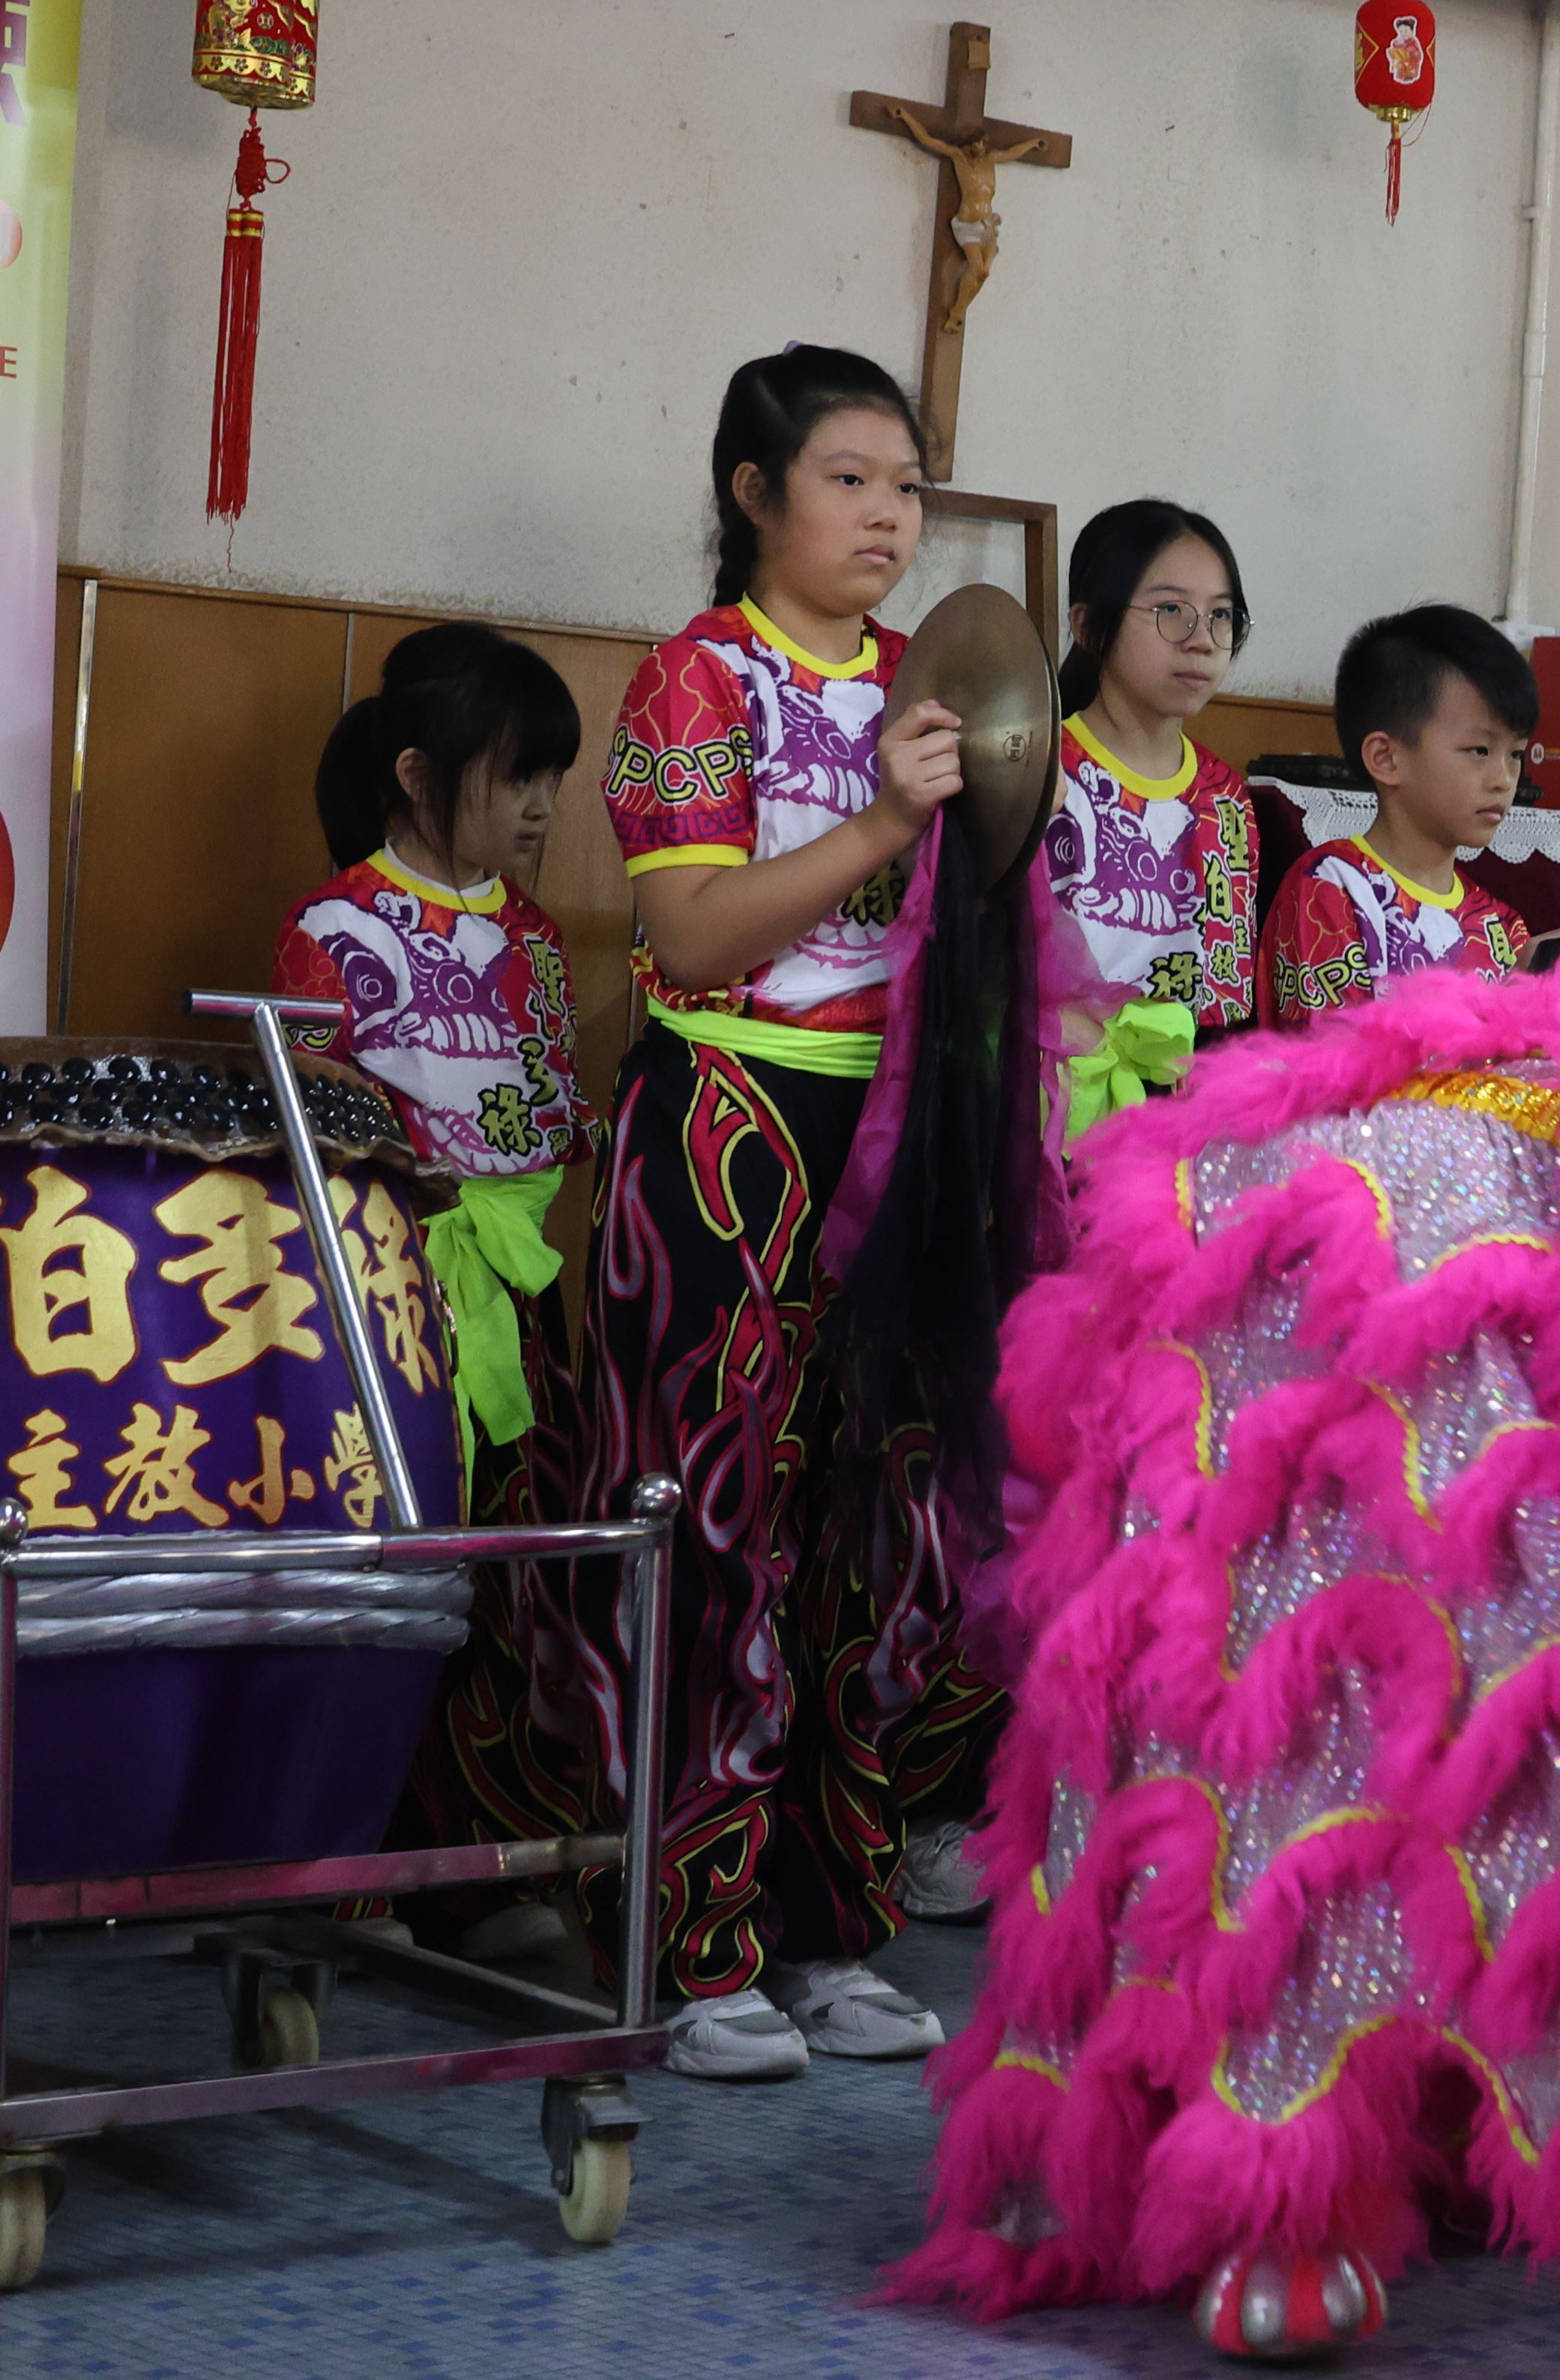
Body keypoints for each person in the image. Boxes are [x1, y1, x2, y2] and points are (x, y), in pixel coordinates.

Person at [534, 344, 993, 2083]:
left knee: (875, 1530)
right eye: (849, 479)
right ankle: (686, 1942)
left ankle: (828, 1932)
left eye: (907, 484)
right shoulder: (698, 675)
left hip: (891, 1132)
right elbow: (695, 934)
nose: (888, 514)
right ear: (754, 491)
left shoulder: (931, 680)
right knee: (710, 1524)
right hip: (725, 1129)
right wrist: (884, 819)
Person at [285, 624, 601, 1946]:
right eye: (513, 775)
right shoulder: (333, 928)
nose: (539, 807)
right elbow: (309, 1124)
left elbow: (551, 1119)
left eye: (551, 779)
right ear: (417, 774)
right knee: (382, 1578)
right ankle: (347, 1876)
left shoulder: (537, 937)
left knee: (513, 1581)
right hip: (383, 1303)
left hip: (515, 1303)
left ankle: (486, 1872)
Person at [1036, 499, 1262, 1139]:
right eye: (1171, 612)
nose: (1202, 639)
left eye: (1221, 616)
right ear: (1088, 626)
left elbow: (1222, 998)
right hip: (1047, 1100)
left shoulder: (1226, 797)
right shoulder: (1041, 769)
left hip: (1176, 1120)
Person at [1259, 603, 1538, 1029]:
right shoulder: (1331, 889)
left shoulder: (1502, 927)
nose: (1504, 780)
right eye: (1480, 750)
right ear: (1386, 758)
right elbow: (1330, 1060)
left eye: (1515, 754)